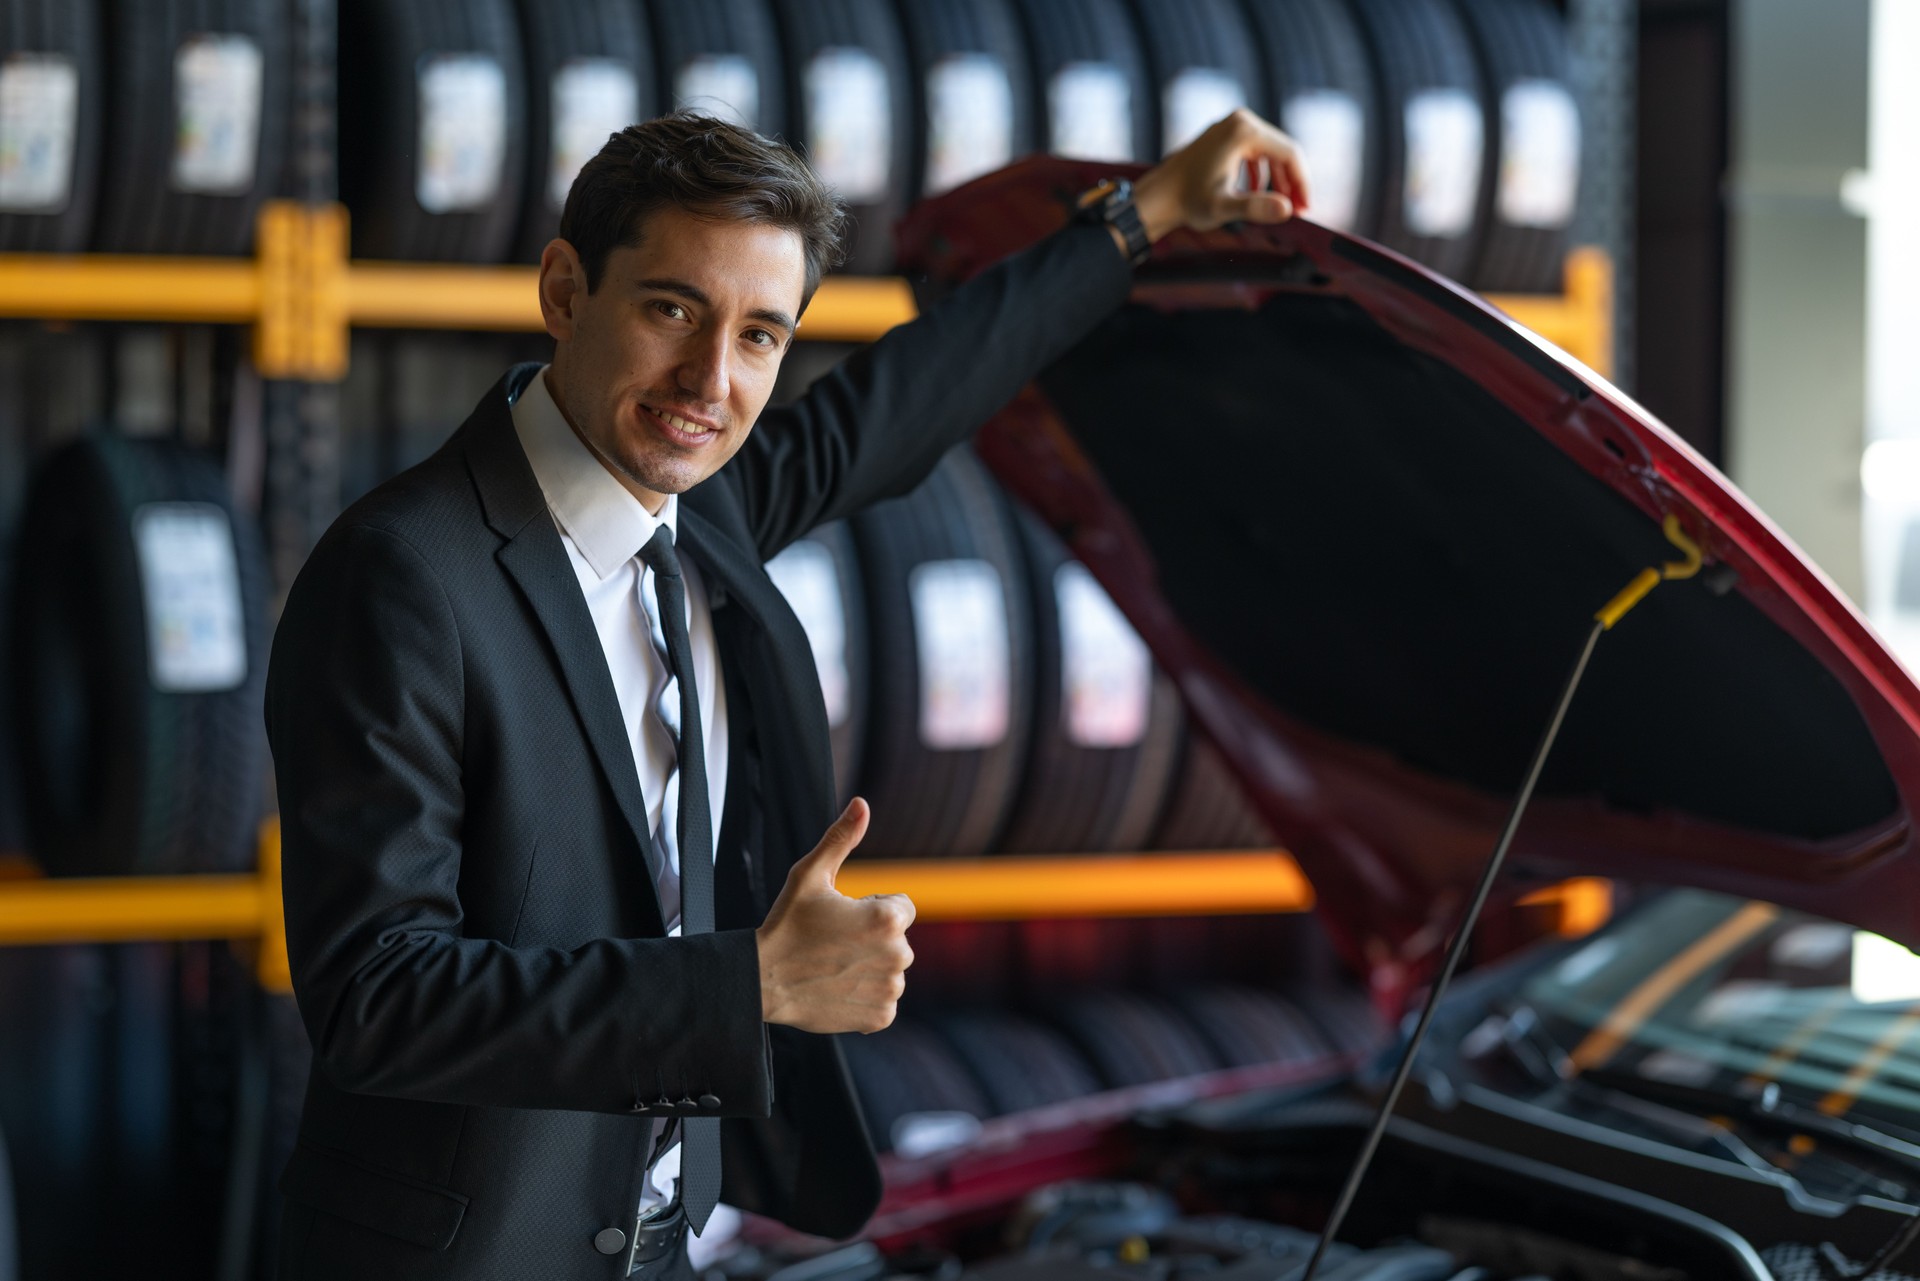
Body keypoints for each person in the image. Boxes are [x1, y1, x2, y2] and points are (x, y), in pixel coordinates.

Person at [264, 107, 1307, 1280]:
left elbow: (910, 397)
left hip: (663, 1236)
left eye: (761, 334)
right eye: (672, 309)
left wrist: (1145, 214)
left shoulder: (703, 516)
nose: (711, 379)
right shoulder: (403, 575)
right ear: (565, 291)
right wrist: (749, 987)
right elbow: (377, 997)